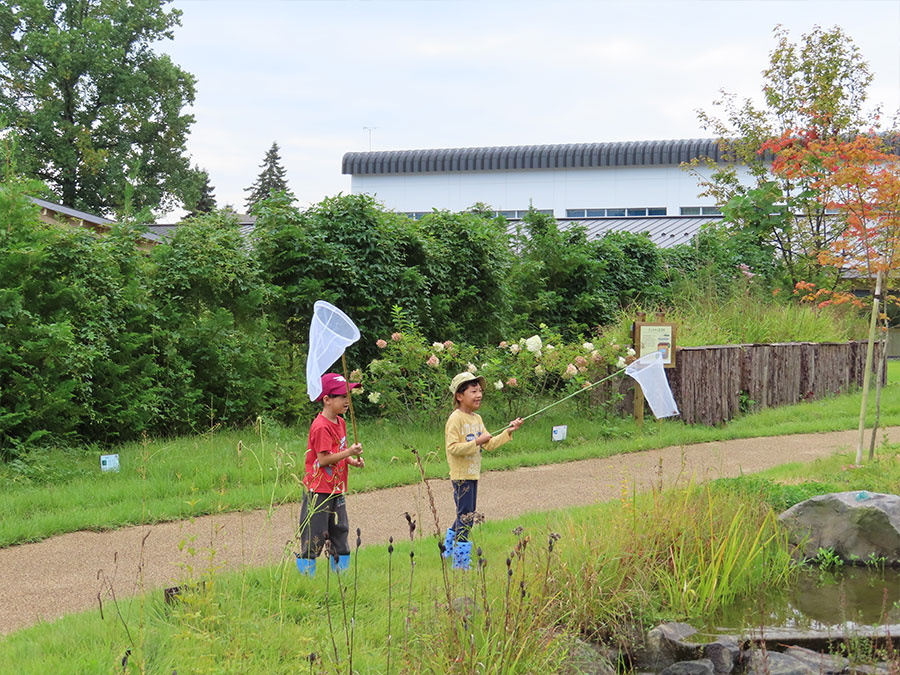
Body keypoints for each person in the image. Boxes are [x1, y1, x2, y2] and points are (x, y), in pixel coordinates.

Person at [444, 372, 524, 570]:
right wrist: (476, 442)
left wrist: (509, 431)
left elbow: (489, 444)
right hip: (461, 476)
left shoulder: (477, 419)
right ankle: (460, 563)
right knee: (467, 517)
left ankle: (447, 551)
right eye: (473, 391)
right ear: (459, 396)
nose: (479, 394)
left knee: (464, 514)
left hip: (472, 475)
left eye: (480, 391)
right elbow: (453, 448)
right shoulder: (455, 419)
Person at [296, 372, 364, 575]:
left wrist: (351, 460)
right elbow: (324, 459)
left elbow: (337, 453)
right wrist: (349, 452)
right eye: (342, 396)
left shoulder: (340, 422)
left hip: (336, 488)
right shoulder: (320, 427)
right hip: (318, 490)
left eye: (348, 395)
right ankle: (307, 578)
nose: (347, 401)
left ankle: (340, 578)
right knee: (314, 534)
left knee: (340, 529)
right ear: (327, 399)